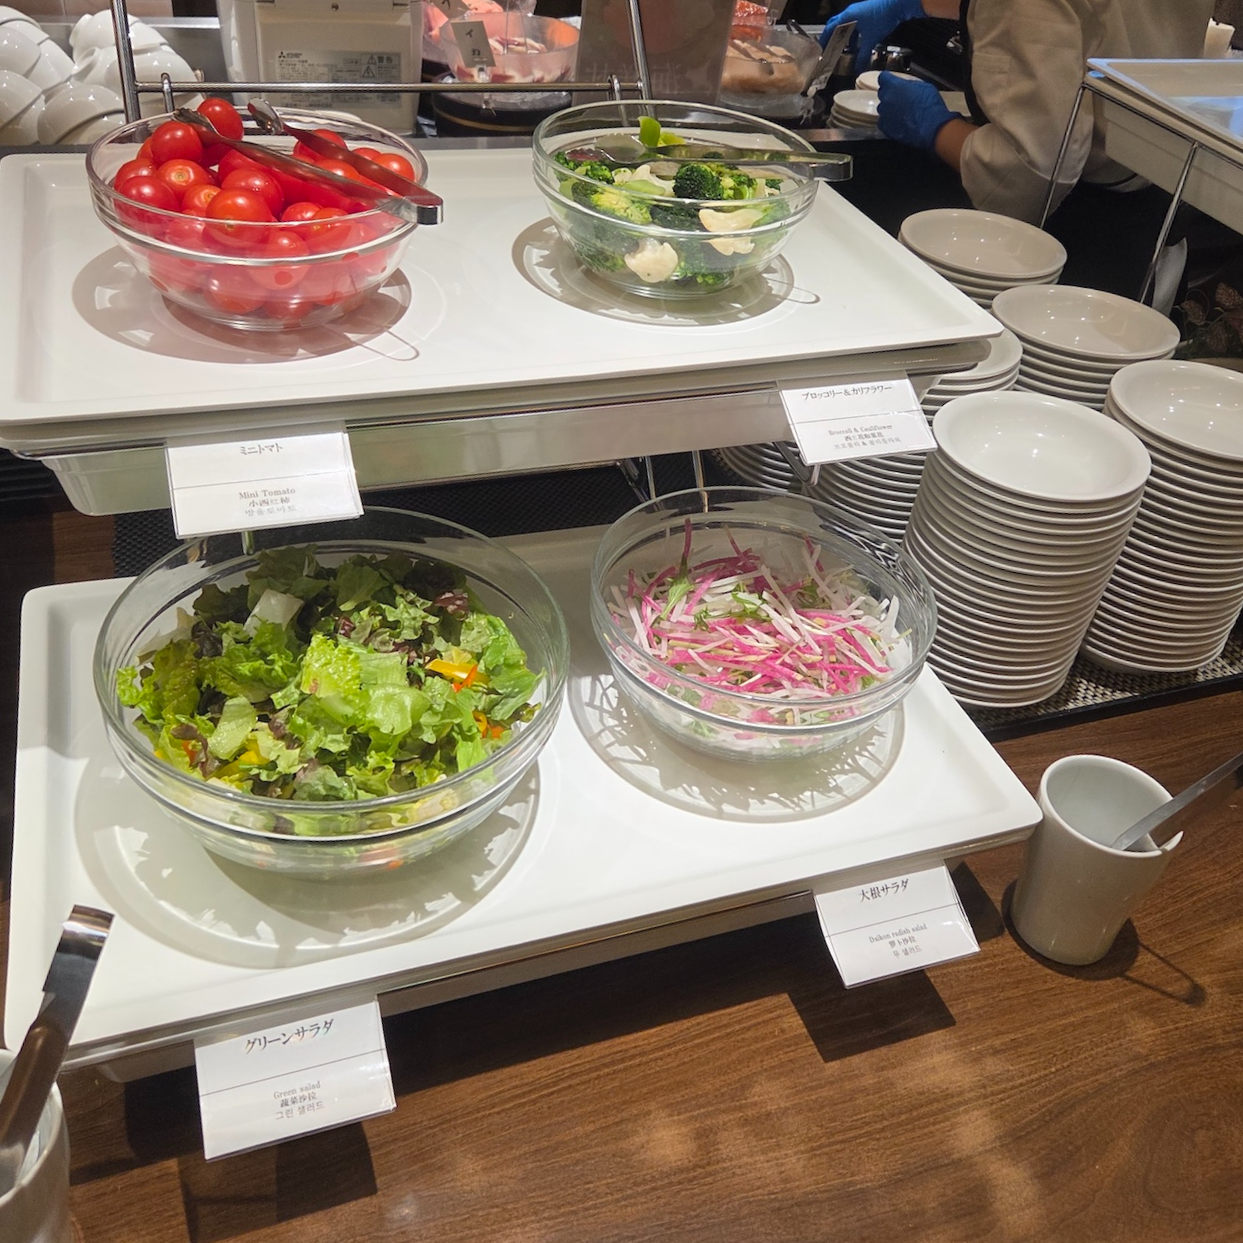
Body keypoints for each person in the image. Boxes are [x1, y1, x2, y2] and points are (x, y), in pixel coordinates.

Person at [821, 0, 1214, 226]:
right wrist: (912, 4)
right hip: (1153, 185)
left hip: (1081, 219)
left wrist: (934, 127)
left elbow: (1029, 170)